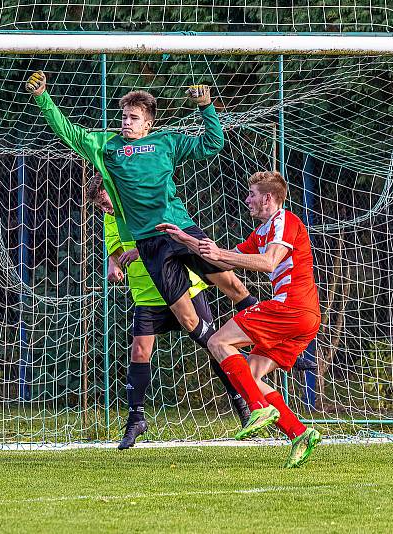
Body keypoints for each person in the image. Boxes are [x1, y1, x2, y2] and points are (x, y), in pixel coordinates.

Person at [25, 71, 256, 384]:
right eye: (123, 116)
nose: (126, 122)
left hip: (182, 230)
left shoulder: (166, 142)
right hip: (150, 244)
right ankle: (232, 363)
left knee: (232, 284)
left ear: (148, 124)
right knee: (187, 322)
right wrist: (43, 98)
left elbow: (213, 143)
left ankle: (270, 335)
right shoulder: (106, 146)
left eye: (133, 118)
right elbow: (68, 131)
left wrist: (206, 106)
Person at [158, 170, 322, 468]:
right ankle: (299, 433)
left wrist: (218, 252)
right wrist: (185, 239)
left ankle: (257, 407)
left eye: (252, 195)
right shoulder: (261, 232)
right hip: (304, 317)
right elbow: (220, 259)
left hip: (291, 308)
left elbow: (268, 262)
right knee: (253, 375)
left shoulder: (284, 221)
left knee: (219, 342)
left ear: (268, 198)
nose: (247, 199)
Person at [87, 174, 251, 449]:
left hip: (184, 288)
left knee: (214, 345)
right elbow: (115, 251)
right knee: (139, 351)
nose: (106, 209)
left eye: (106, 202)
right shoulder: (110, 219)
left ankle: (243, 401)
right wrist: (113, 265)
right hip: (148, 294)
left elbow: (169, 237)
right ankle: (135, 419)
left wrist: (140, 253)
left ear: (116, 191)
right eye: (101, 207)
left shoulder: (144, 203)